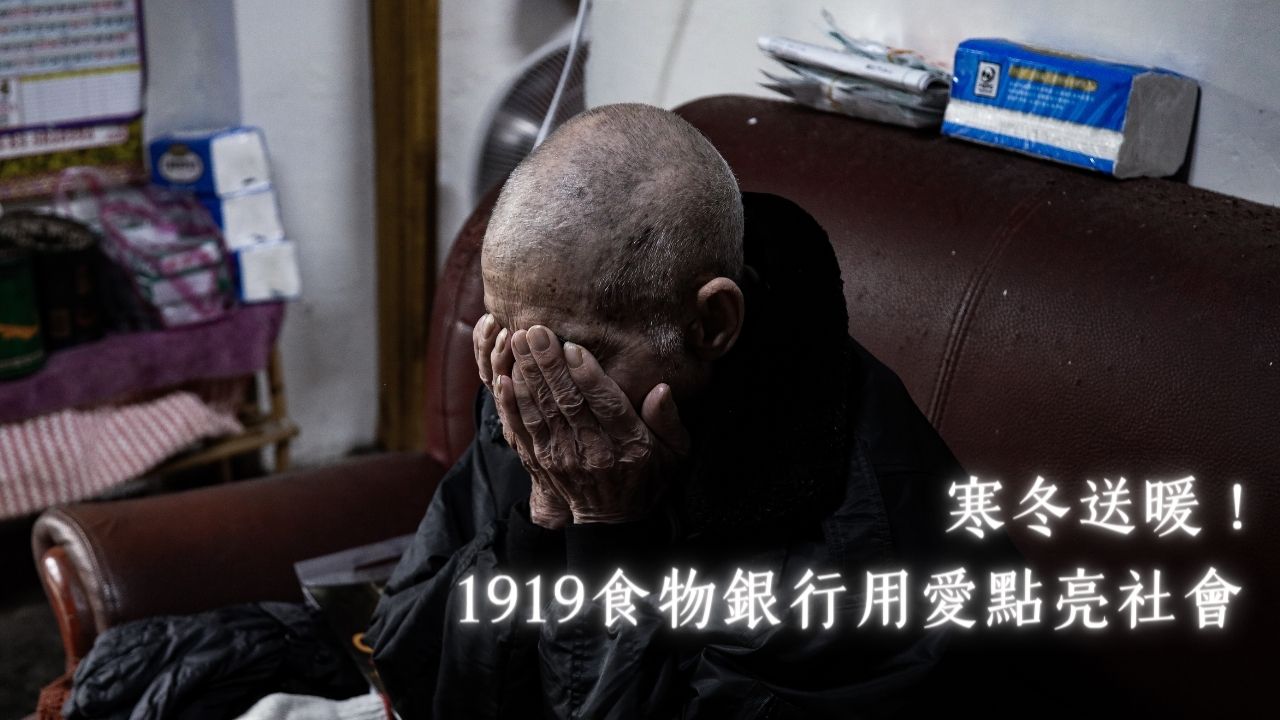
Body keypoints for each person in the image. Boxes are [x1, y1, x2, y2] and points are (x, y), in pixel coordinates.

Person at [366, 103, 1062, 719]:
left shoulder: (850, 546)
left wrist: (609, 534)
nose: (529, 387)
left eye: (572, 353)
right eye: (505, 339)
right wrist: (541, 523)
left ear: (712, 324)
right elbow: (407, 659)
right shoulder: (538, 375)